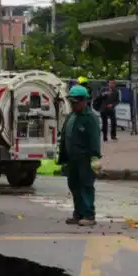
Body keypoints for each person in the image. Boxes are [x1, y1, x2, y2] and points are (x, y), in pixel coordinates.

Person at [58, 84, 101, 226]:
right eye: (71, 102)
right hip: (72, 159)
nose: (73, 105)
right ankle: (78, 213)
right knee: (74, 185)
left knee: (86, 186)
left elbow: (94, 140)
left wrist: (94, 158)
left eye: (75, 102)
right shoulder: (71, 116)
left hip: (85, 159)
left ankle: (89, 215)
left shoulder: (90, 118)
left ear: (84, 101)